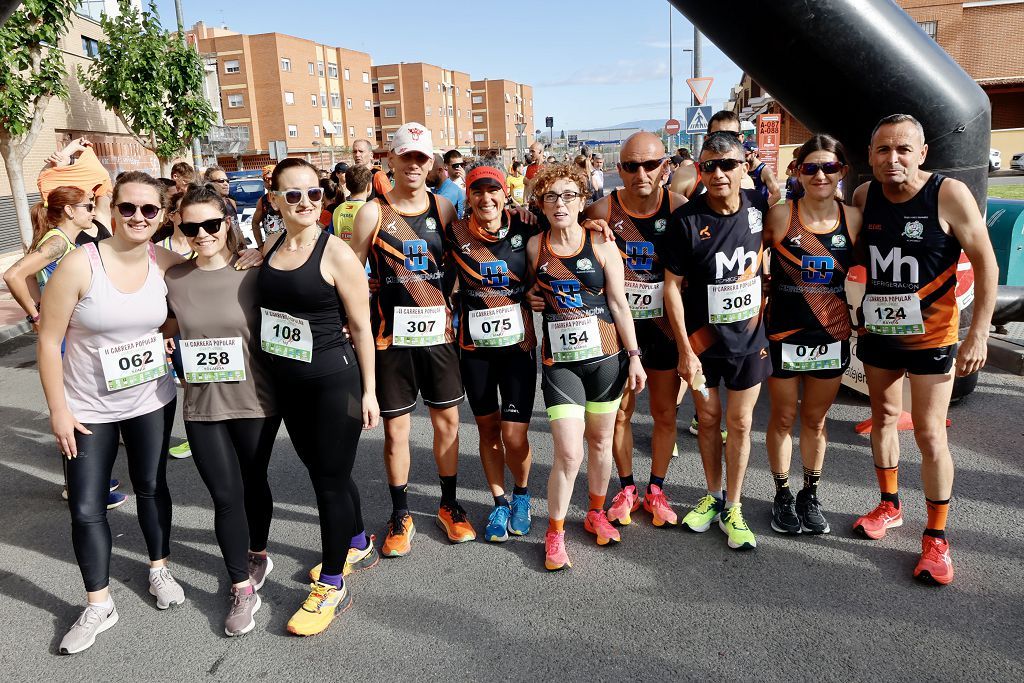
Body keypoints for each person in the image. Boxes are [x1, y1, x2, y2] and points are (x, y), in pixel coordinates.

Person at [38, 172, 183, 654]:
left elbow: (210, 285)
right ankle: (99, 603)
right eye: (128, 208)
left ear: (161, 216)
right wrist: (58, 410)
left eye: (149, 210)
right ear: (110, 208)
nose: (138, 217)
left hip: (150, 401)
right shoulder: (80, 264)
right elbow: (47, 339)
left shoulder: (165, 262)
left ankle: (159, 568)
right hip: (87, 408)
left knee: (151, 487)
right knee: (85, 505)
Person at [850, 113, 997, 585]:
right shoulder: (863, 195)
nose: (892, 159)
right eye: (882, 150)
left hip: (933, 337)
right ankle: (890, 506)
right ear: (870, 156)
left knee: (931, 434)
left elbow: (986, 262)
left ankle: (936, 536)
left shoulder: (948, 193)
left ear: (922, 153)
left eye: (902, 150)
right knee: (885, 418)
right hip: (879, 334)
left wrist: (979, 333)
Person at [257, 157, 380, 635]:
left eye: (314, 193)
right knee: (324, 470)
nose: (306, 202)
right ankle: (358, 541)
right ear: (275, 201)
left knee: (327, 481)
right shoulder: (270, 245)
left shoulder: (337, 253)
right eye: (293, 195)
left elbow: (362, 329)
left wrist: (370, 392)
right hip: (287, 385)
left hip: (336, 384)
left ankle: (332, 582)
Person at [163, 184, 281, 636]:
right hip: (202, 406)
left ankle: (258, 553)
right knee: (225, 496)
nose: (202, 234)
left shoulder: (254, 270)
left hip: (256, 401)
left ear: (226, 222)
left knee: (254, 483)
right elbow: (158, 319)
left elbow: (300, 245)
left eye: (211, 224)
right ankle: (241, 588)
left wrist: (263, 246)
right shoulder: (174, 278)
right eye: (191, 227)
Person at [350, 122, 472, 556]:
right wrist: (353, 318)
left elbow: (471, 252)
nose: (415, 165)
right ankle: (400, 513)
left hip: (439, 336)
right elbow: (350, 271)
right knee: (397, 432)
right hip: (391, 339)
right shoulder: (372, 212)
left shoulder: (444, 208)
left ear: (431, 162)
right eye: (407, 157)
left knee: (447, 423)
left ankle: (449, 504)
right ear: (392, 159)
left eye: (422, 158)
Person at [527, 163, 647, 570]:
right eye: (551, 197)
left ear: (582, 201)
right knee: (568, 452)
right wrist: (531, 297)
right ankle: (555, 532)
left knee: (600, 442)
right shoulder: (534, 246)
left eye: (569, 196)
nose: (560, 204)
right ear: (541, 204)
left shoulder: (601, 243)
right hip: (561, 364)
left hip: (606, 358)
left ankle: (596, 510)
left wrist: (634, 357)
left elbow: (618, 304)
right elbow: (528, 288)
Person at [663, 131, 772, 551]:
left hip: (749, 341)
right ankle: (712, 494)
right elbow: (671, 288)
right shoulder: (686, 220)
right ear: (699, 170)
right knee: (707, 421)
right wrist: (685, 351)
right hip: (703, 343)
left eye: (728, 164)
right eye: (709, 165)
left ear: (744, 167)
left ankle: (735, 505)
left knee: (740, 424)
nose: (719, 173)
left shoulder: (762, 210)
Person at [585, 132, 687, 530]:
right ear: (619, 169)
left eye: (649, 164)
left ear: (665, 166)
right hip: (618, 329)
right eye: (631, 165)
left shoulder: (679, 207)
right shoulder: (601, 208)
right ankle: (626, 487)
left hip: (662, 326)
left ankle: (656, 488)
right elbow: (562, 252)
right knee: (620, 414)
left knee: (664, 413)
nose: (640, 173)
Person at [4, 186, 127, 509]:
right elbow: (15, 274)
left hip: (67, 334)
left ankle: (88, 477)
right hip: (63, 340)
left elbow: (30, 277)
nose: (91, 211)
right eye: (87, 206)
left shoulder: (58, 239)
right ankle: (82, 486)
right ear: (70, 211)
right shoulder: (58, 241)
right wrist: (35, 313)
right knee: (78, 409)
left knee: (78, 406)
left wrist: (40, 305)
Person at [763, 134, 862, 535]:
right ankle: (782, 493)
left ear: (843, 171)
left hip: (831, 333)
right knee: (784, 416)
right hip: (785, 332)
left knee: (816, 421)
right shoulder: (780, 215)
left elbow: (873, 273)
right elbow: (743, 262)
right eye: (810, 167)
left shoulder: (853, 218)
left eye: (829, 167)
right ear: (797, 171)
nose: (820, 174)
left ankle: (810, 493)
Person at [444, 159, 538, 542]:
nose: (486, 197)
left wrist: (597, 229)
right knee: (487, 429)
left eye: (493, 189)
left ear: (505, 193)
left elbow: (564, 240)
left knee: (515, 435)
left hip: (518, 348)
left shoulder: (527, 225)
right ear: (468, 194)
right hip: (476, 350)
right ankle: (499, 501)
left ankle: (522, 495)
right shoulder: (454, 233)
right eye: (477, 190)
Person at [331, 165, 372, 243]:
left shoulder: (337, 209)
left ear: (347, 185)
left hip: (340, 254)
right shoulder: (371, 210)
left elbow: (331, 237)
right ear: (369, 186)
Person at [251, 164, 284, 249]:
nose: (270, 183)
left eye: (272, 179)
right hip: (271, 247)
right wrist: (260, 245)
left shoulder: (287, 197)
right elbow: (255, 223)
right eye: (266, 179)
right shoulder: (262, 201)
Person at [743, 141, 782, 206]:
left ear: (755, 153)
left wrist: (762, 208)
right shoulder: (743, 167)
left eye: (746, 155)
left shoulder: (765, 170)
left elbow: (777, 194)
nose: (744, 157)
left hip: (757, 211)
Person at [433, 152, 466, 219]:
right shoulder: (441, 184)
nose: (459, 168)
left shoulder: (466, 182)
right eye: (456, 165)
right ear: (445, 166)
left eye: (461, 165)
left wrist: (466, 181)